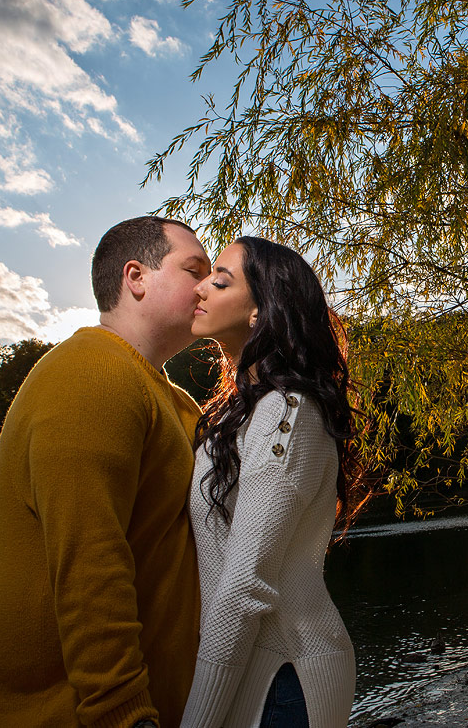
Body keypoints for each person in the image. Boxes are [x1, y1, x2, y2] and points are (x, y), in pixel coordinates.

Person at [0, 216, 211, 728]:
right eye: (193, 270)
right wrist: (125, 715)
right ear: (135, 278)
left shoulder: (174, 400)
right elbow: (90, 564)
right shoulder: (91, 376)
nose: (208, 286)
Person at [180, 236, 363, 728]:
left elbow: (243, 587)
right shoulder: (246, 411)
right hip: (262, 675)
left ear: (260, 311)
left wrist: (198, 719)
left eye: (219, 281)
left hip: (286, 677)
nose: (200, 289)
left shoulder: (286, 411)